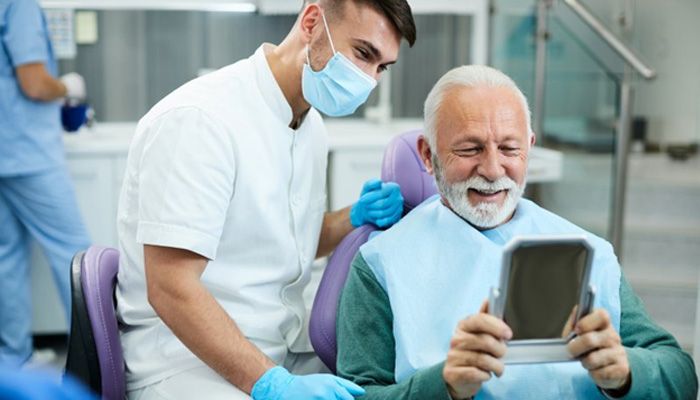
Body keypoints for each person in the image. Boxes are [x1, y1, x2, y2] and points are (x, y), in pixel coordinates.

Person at [336, 65, 698, 399]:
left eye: (510, 148)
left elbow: (680, 374)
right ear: (428, 156)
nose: (493, 170)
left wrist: (626, 373)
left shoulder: (588, 252)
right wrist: (442, 384)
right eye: (470, 149)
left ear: (530, 148)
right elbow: (357, 393)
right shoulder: (381, 263)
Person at [115, 0, 416, 399]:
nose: (369, 80)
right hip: (184, 362)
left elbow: (287, 240)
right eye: (363, 54)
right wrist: (272, 384)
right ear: (312, 22)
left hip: (277, 346)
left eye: (381, 67)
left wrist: (353, 217)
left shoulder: (310, 126)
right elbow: (171, 288)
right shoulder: (201, 120)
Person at [0, 0, 90, 366]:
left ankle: (12, 361)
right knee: (77, 256)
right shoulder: (18, 4)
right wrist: (66, 85)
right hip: (27, 152)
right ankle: (95, 360)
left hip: (6, 151)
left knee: (7, 256)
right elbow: (35, 84)